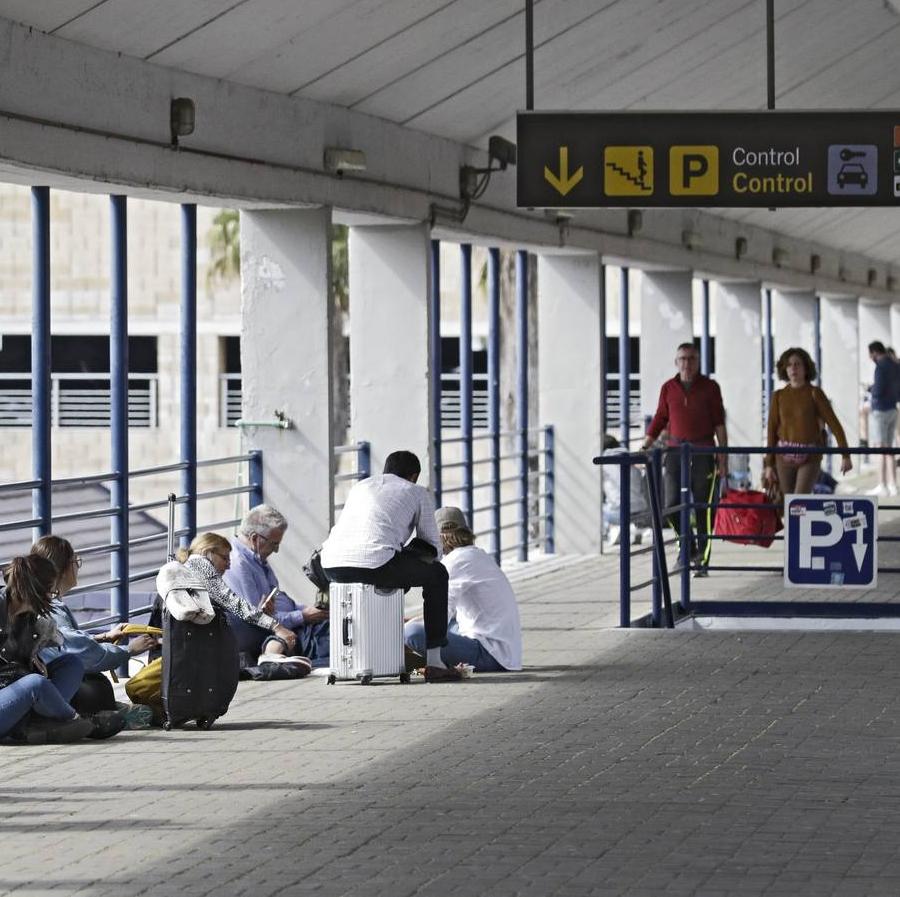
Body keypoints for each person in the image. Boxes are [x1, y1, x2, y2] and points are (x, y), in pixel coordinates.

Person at [320, 449, 459, 683]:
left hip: (331, 564)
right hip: (374, 563)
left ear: (385, 470)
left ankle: (372, 654)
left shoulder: (361, 486)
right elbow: (433, 547)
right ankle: (434, 661)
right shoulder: (416, 491)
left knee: (395, 568)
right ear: (414, 476)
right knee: (437, 575)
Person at [0, 555, 122, 743]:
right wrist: (20, 675)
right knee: (36, 684)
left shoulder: (28, 618)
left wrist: (32, 658)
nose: (53, 597)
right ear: (36, 590)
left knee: (71, 663)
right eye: (51, 591)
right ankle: (78, 722)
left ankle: (40, 725)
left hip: (13, 697)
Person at [641, 342, 728, 576]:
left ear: (698, 362)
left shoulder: (710, 387)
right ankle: (686, 546)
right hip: (674, 452)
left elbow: (719, 423)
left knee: (703, 508)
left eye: (691, 359)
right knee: (670, 506)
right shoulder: (668, 388)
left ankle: (702, 558)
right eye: (682, 359)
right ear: (676, 362)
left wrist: (723, 458)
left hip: (703, 451)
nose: (687, 363)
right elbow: (660, 418)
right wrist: (645, 446)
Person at [404, 507, 521, 673]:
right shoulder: (477, 556)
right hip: (505, 651)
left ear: (438, 539)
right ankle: (425, 655)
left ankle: (429, 661)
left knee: (411, 632)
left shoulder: (453, 562)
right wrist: (415, 619)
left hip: (489, 654)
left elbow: (441, 615)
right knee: (421, 624)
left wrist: (408, 627)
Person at [224, 506, 329, 666]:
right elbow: (259, 619)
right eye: (274, 544)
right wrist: (302, 616)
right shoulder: (239, 565)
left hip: (290, 627)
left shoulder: (255, 558)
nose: (276, 550)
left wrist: (306, 611)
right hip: (281, 633)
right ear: (254, 538)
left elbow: (275, 602)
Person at [176, 532, 299, 662]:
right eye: (225, 558)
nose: (228, 565)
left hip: (201, 636)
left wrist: (260, 615)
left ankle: (272, 651)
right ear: (207, 552)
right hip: (204, 638)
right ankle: (271, 653)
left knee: (262, 623)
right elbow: (234, 603)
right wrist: (276, 626)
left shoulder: (189, 568)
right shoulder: (200, 566)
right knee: (274, 630)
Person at [762, 348, 851, 496]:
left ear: (806, 368)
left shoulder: (815, 393)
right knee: (788, 503)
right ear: (784, 369)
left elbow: (834, 424)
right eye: (789, 365)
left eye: (797, 364)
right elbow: (771, 431)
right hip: (783, 457)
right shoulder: (778, 396)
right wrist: (769, 465)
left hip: (810, 456)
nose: (793, 368)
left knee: (799, 501)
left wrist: (845, 455)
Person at [600, 433, 651, 546]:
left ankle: (612, 530)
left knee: (598, 508)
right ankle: (633, 528)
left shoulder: (603, 463)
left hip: (619, 512)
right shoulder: (632, 459)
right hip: (641, 509)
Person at [867, 340, 900, 496]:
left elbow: (878, 390)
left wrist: (870, 388)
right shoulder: (895, 365)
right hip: (893, 407)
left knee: (881, 448)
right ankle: (893, 484)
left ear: (874, 352)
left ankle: (883, 484)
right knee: (890, 448)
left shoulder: (880, 367)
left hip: (880, 410)